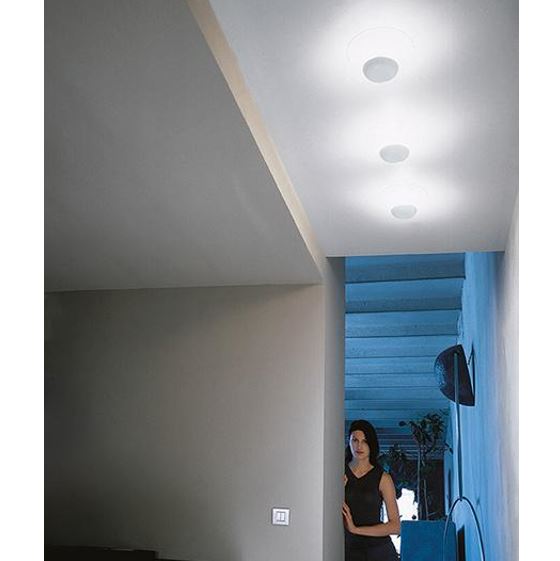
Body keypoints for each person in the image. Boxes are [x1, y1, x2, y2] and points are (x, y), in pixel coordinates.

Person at [343, 419, 400, 561]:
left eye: (365, 441)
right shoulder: (338, 473)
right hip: (348, 550)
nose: (359, 446)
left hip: (379, 550)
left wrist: (355, 529)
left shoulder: (383, 478)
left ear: (372, 444)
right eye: (355, 440)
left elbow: (395, 526)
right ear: (349, 442)